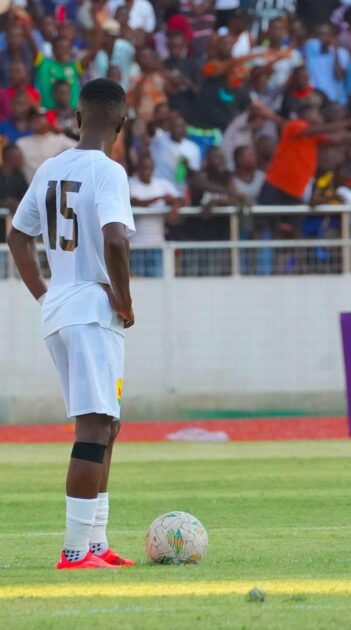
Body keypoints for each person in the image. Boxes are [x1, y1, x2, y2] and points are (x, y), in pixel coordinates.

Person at [7, 78, 137, 570]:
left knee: (108, 423)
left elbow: (17, 236)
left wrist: (46, 294)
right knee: (94, 426)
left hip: (62, 308)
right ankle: (75, 550)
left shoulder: (50, 168)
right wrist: (124, 300)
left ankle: (97, 543)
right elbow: (116, 240)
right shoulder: (109, 171)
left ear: (77, 120)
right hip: (91, 312)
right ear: (121, 123)